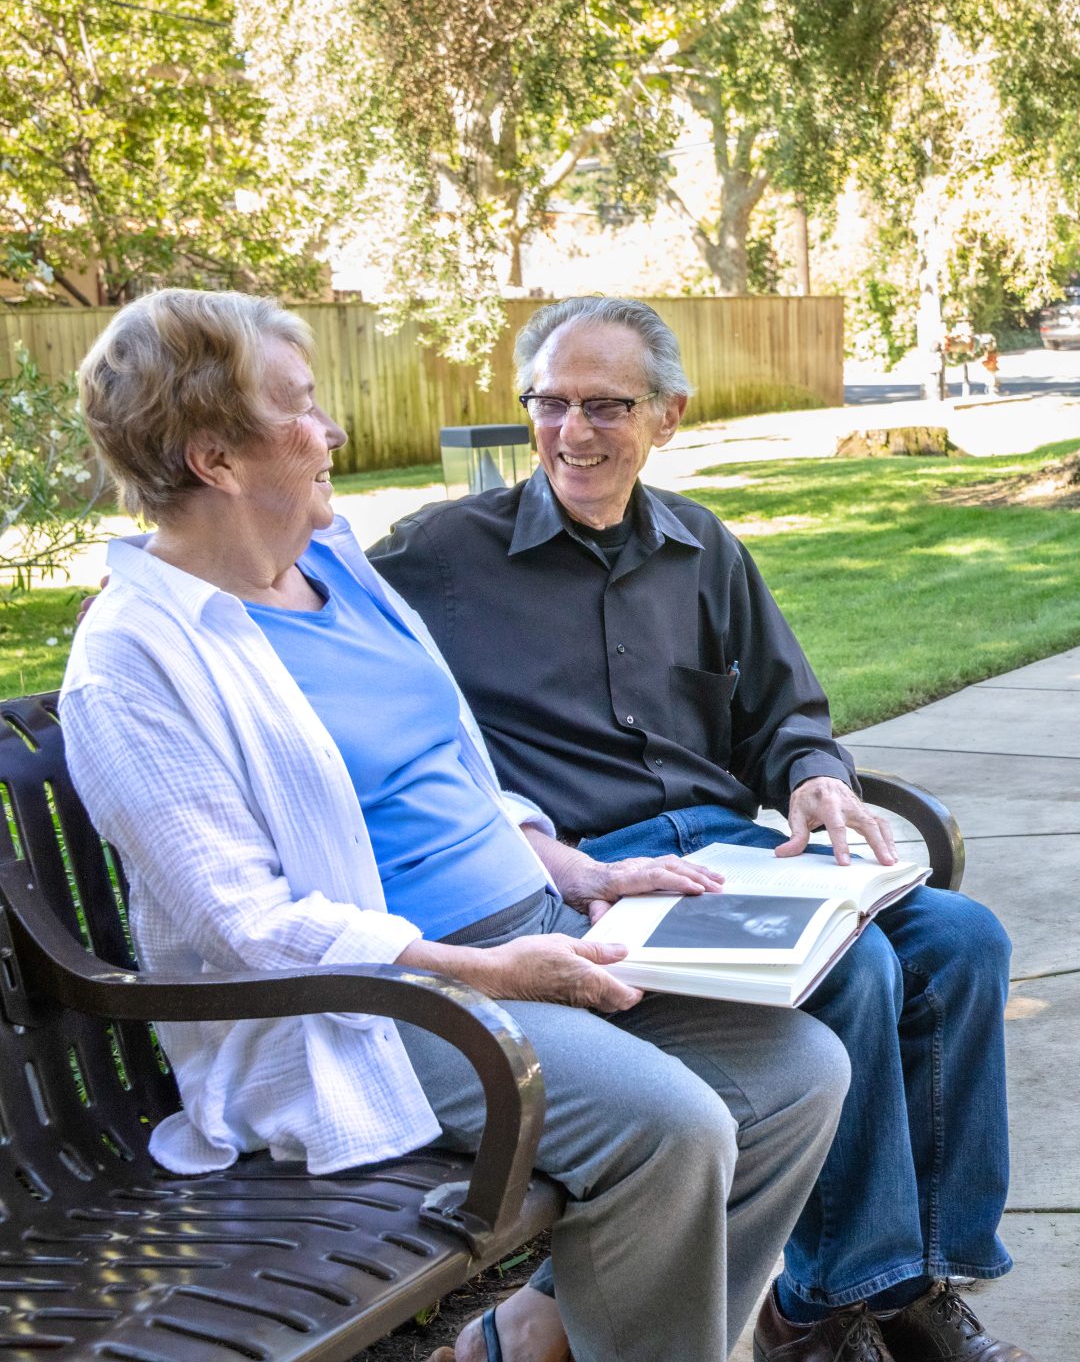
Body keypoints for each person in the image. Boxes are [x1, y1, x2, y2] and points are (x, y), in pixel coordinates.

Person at [61, 290, 849, 1362]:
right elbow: (247, 921)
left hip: (531, 927)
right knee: (675, 1127)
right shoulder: (134, 661)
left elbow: (451, 761)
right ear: (217, 458)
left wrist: (570, 867)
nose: (332, 430)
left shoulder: (336, 570)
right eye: (299, 407)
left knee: (800, 1072)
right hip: (383, 1007)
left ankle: (577, 1340)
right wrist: (483, 975)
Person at [370, 296, 1034, 1362]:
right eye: (550, 403)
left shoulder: (702, 548)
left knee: (964, 944)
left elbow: (786, 717)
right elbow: (320, 639)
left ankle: (897, 1287)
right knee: (856, 970)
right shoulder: (443, 556)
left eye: (605, 406)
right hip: (600, 885)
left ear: (667, 416)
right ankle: (838, 1305)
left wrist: (814, 777)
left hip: (730, 859)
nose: (572, 432)